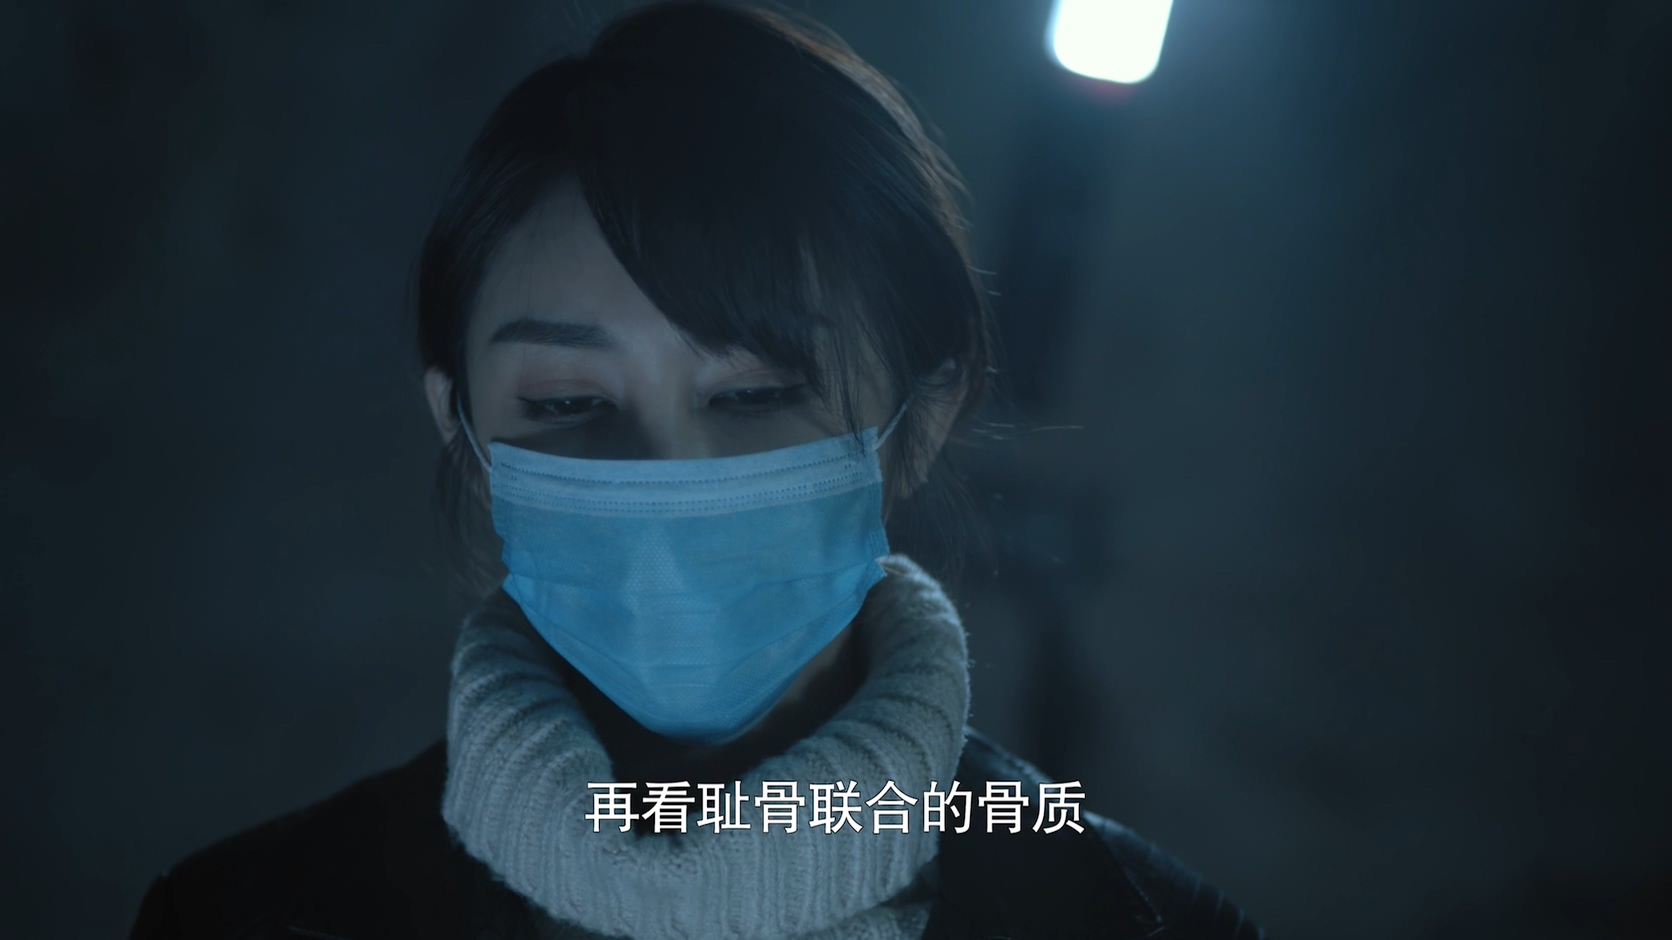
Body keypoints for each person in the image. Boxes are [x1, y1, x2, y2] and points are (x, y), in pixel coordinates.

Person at [130, 2, 1266, 937]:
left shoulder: (1141, 925)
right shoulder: (242, 918)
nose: (669, 473)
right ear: (464, 434)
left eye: (755, 393)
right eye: (567, 403)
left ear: (917, 424)